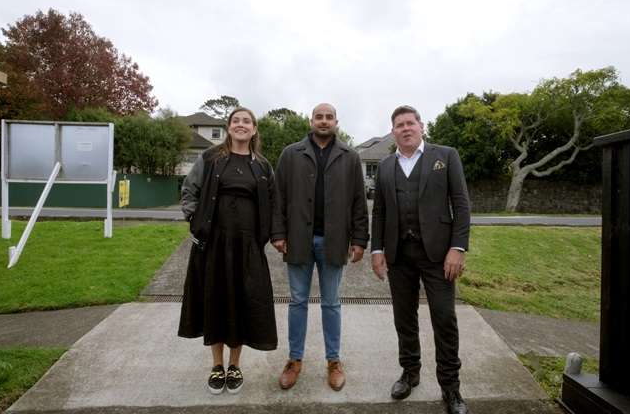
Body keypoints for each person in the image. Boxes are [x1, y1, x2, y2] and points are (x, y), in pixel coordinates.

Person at [370, 105, 471, 414]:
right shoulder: (386, 166)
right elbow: (380, 212)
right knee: (404, 318)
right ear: (393, 131)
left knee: (444, 318)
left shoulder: (446, 156)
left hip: (438, 255)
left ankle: (450, 388)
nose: (405, 128)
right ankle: (410, 372)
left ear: (421, 126)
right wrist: (377, 250)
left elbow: (461, 204)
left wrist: (458, 248)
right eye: (399, 125)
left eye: (410, 123)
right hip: (399, 255)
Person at [178, 107, 282, 395]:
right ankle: (216, 365)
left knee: (242, 302)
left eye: (246, 121)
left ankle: (235, 365)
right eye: (236, 121)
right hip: (213, 246)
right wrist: (193, 221)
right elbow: (189, 191)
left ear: (254, 129)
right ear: (228, 127)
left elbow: (273, 204)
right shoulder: (210, 158)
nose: (241, 125)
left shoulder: (262, 166)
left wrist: (275, 235)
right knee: (215, 300)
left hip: (248, 248)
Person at [272, 103, 369, 391]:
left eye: (329, 117)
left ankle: (333, 361)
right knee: (298, 302)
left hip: (334, 241)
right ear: (310, 120)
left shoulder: (350, 156)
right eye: (319, 117)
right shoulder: (291, 154)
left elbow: (358, 202)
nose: (323, 121)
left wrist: (360, 239)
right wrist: (278, 232)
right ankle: (294, 360)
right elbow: (278, 197)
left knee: (331, 303)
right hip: (298, 241)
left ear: (336, 121)